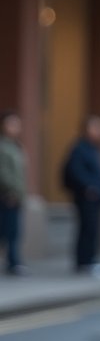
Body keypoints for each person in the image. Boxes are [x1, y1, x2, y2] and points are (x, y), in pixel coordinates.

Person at [62, 116, 100, 275]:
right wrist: (89, 187)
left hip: (96, 198)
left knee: (93, 229)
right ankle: (84, 261)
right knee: (87, 229)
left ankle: (90, 259)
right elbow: (75, 172)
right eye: (94, 127)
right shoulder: (79, 148)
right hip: (86, 197)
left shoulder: (94, 148)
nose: (98, 132)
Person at [0, 110, 27, 275]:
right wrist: (11, 190)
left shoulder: (16, 146)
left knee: (14, 231)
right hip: (7, 196)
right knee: (7, 230)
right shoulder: (3, 147)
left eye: (17, 124)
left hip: (16, 196)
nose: (15, 127)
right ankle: (13, 262)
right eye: (11, 123)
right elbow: (3, 173)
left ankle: (14, 261)